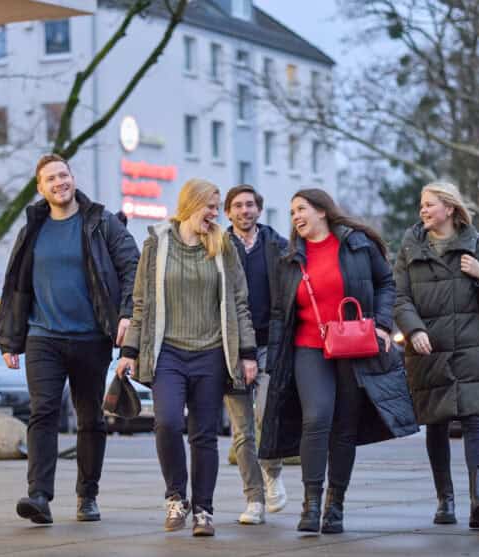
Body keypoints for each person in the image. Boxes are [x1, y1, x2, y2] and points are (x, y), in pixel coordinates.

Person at [0, 154, 139, 525]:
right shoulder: (33, 227)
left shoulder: (101, 222)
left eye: (64, 175)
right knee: (42, 410)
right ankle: (39, 495)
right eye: (50, 179)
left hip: (91, 337)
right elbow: (16, 285)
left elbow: (132, 266)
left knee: (90, 417)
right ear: (40, 188)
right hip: (44, 336)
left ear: (73, 178)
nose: (59, 183)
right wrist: (11, 338)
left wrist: (126, 313)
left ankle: (87, 494)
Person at [260, 188, 417, 534]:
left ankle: (336, 505)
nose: (296, 217)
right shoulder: (290, 258)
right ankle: (311, 502)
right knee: (316, 417)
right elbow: (277, 312)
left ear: (322, 211)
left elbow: (386, 283)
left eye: (301, 209)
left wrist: (382, 325)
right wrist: (273, 360)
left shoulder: (357, 244)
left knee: (345, 426)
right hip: (308, 347)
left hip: (353, 345)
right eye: (292, 212)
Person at [117, 178, 258, 537]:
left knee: (204, 434)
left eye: (216, 207)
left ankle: (204, 510)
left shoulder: (222, 246)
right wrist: (129, 351)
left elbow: (238, 302)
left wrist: (246, 352)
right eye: (210, 206)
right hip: (169, 353)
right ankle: (176, 497)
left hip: (211, 352)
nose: (215, 214)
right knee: (166, 422)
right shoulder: (157, 245)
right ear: (190, 204)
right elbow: (141, 303)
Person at [393, 181, 479, 529]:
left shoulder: (478, 243)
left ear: (449, 208)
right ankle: (444, 500)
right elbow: (399, 297)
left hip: (471, 347)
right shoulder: (410, 247)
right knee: (436, 422)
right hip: (427, 348)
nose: (422, 210)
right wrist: (414, 329)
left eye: (429, 204)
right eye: (421, 204)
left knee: (474, 418)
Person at [223, 184, 289, 524]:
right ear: (228, 212)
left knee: (266, 415)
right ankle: (254, 500)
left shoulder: (278, 246)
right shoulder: (218, 247)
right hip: (231, 349)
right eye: (238, 206)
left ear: (259, 210)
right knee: (242, 431)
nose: (245, 211)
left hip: (269, 346)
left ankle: (272, 473)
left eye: (250, 205)